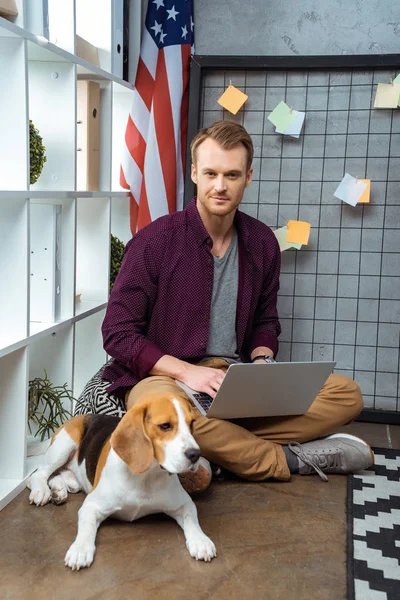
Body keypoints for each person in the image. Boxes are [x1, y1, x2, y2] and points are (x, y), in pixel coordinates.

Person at [78, 120, 373, 492]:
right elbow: (118, 334)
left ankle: (221, 453)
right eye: (211, 173)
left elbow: (266, 321)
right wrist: (187, 373)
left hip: (233, 381)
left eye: (232, 174)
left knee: (346, 394)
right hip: (163, 379)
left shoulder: (263, 242)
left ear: (248, 176)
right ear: (194, 173)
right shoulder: (153, 243)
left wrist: (263, 362)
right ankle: (290, 459)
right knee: (165, 419)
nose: (221, 186)